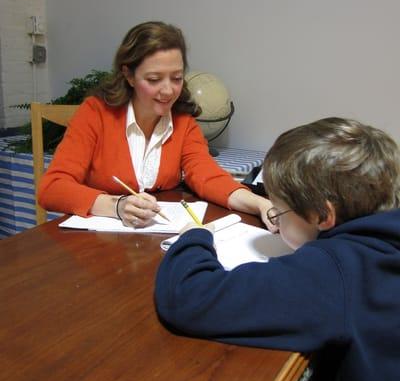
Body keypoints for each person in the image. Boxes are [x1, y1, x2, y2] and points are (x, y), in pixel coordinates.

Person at [155, 117, 400, 381]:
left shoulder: (336, 272)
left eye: (280, 210)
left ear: (321, 215)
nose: (276, 219)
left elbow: (189, 297)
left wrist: (193, 237)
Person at [38, 21, 273, 229]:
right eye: (154, 79)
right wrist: (117, 206)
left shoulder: (183, 122)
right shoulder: (95, 113)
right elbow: (52, 188)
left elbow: (208, 177)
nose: (168, 90)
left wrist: (261, 204)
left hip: (154, 242)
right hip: (98, 248)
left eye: (177, 78)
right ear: (129, 76)